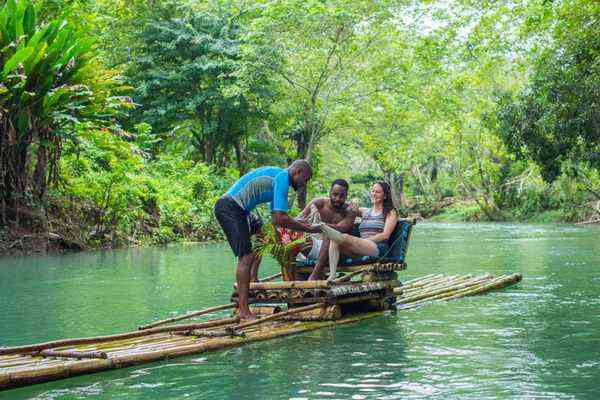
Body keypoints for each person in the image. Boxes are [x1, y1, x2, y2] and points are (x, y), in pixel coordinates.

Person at [214, 160, 319, 321]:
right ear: (297, 172)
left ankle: (253, 278)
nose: (305, 184)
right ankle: (243, 310)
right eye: (306, 179)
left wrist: (283, 246)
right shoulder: (282, 177)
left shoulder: (279, 178)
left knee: (261, 233)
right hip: (230, 207)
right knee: (246, 257)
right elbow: (280, 218)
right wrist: (308, 228)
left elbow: (275, 221)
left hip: (240, 209)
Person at [318, 181, 397, 279]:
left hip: (377, 247)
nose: (374, 194)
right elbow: (347, 207)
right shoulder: (365, 211)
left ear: (385, 196)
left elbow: (385, 235)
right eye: (372, 191)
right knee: (334, 241)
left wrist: (365, 241)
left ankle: (323, 227)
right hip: (360, 247)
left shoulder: (390, 212)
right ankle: (332, 275)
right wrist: (354, 201)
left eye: (377, 192)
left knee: (344, 237)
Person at [286, 179, 356, 280]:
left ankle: (314, 276)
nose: (337, 199)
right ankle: (290, 279)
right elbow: (298, 220)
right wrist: (308, 220)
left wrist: (319, 225)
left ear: (346, 196)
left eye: (342, 196)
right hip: (315, 247)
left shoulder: (350, 211)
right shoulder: (318, 203)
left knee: (329, 233)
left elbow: (342, 228)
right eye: (335, 194)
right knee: (293, 236)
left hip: (336, 251)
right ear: (330, 192)